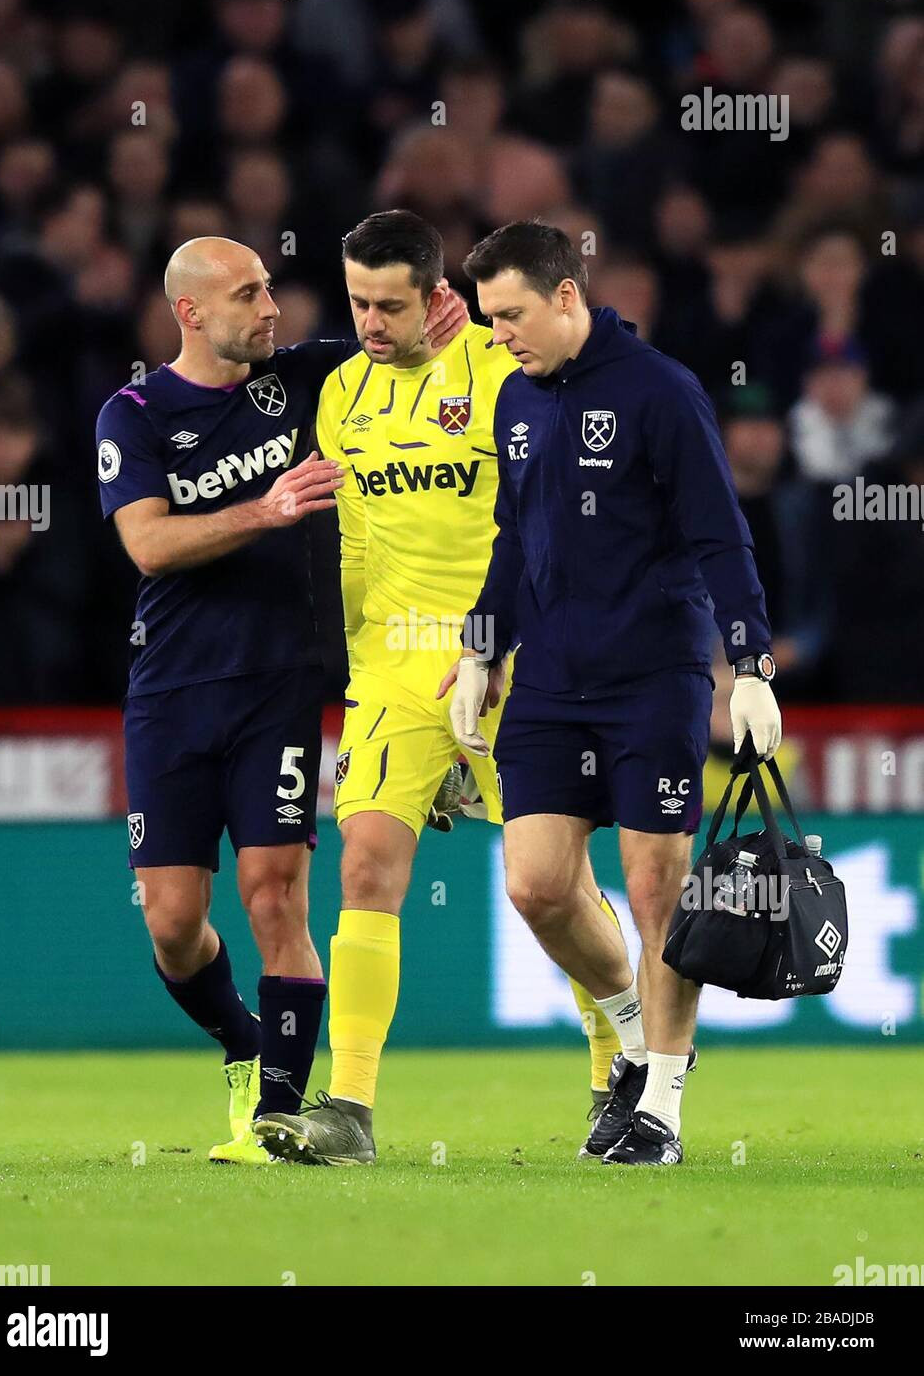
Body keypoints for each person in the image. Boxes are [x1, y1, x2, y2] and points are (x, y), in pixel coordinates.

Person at [253, 210, 633, 1166]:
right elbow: (347, 536)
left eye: (389, 305)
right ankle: (351, 1108)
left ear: (440, 298)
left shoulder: (503, 374)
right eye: (356, 303)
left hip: (512, 661)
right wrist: (336, 658)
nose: (371, 324)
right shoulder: (341, 392)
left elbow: (560, 499)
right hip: (393, 667)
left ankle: (613, 1075)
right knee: (367, 864)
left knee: (556, 888)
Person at [95, 235, 464, 1164]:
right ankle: (242, 1044)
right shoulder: (134, 413)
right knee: (175, 924)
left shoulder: (308, 379)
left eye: (271, 289)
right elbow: (146, 546)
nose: (273, 309)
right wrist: (267, 508)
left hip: (283, 682)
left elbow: (411, 343)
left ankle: (281, 1115)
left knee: (274, 901)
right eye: (249, 294)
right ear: (191, 312)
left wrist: (446, 315)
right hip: (172, 688)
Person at [445, 221, 782, 1165]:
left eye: (509, 314)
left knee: (654, 892)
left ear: (564, 296)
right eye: (485, 318)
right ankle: (633, 1043)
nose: (496, 334)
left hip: (651, 678)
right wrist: (481, 650)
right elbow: (513, 540)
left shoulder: (660, 393)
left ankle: (662, 1112)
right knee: (537, 886)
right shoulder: (513, 402)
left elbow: (720, 535)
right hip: (549, 679)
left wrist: (749, 664)